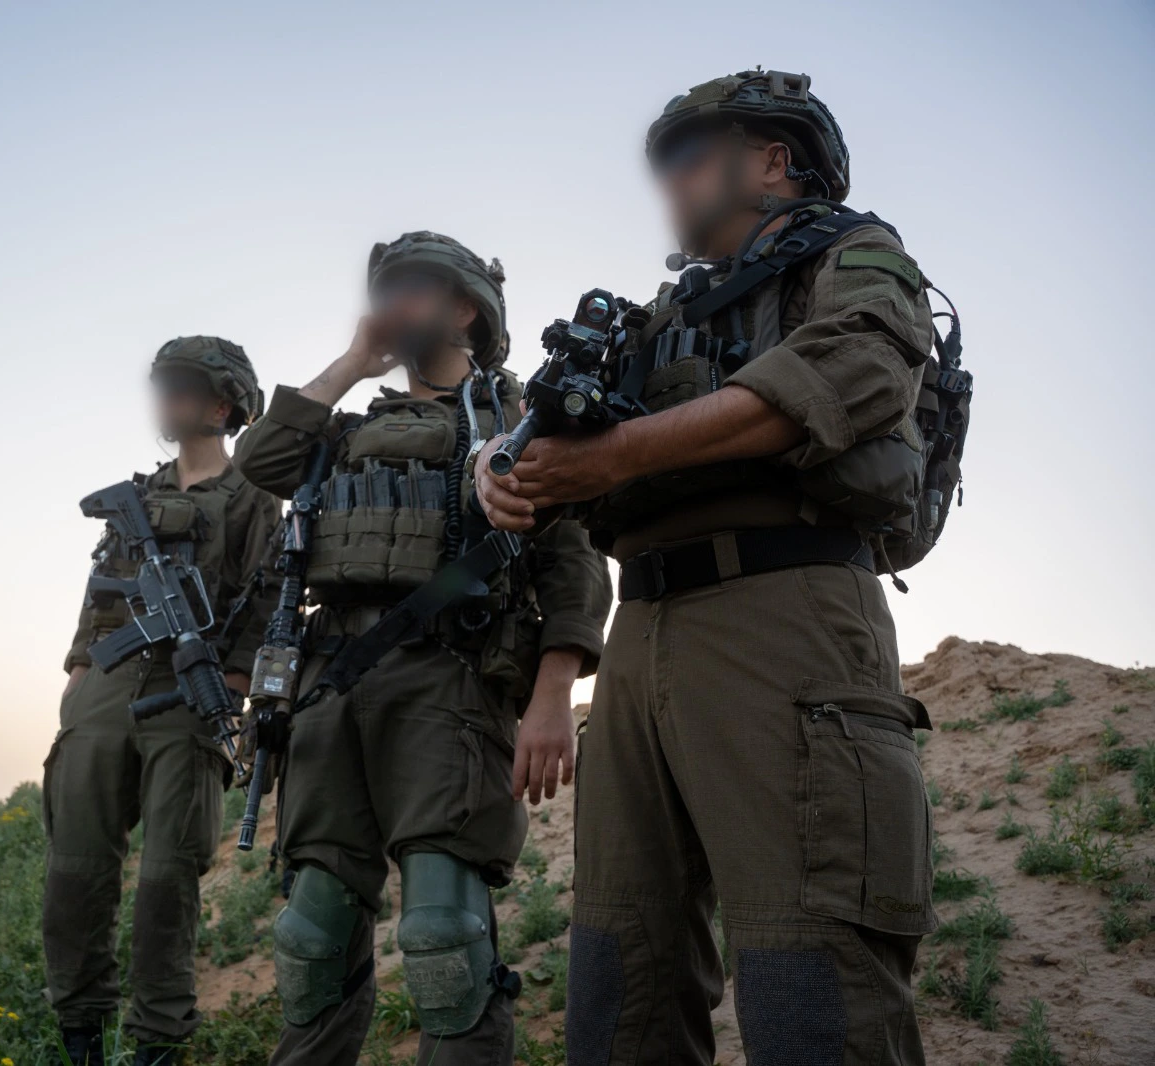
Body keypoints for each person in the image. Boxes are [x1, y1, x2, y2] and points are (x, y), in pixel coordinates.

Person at [475, 70, 940, 1066]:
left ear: (773, 160)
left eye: (693, 154)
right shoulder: (654, 319)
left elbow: (848, 372)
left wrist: (611, 457)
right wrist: (499, 467)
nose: (670, 179)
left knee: (812, 973)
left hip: (786, 616)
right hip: (640, 634)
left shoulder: (855, 253)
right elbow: (549, 442)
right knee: (620, 975)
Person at [235, 232, 611, 1066]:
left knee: (446, 938)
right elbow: (258, 461)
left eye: (413, 288)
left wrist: (554, 694)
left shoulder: (519, 423)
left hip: (452, 681)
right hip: (329, 686)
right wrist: (351, 363)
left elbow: (574, 565)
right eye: (384, 290)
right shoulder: (343, 430)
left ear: (466, 309)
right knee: (311, 937)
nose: (391, 304)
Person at [43, 337, 281, 1066]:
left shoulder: (253, 498)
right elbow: (100, 587)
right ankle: (80, 1030)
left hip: (190, 689)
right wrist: (80, 669)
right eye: (165, 385)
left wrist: (234, 682)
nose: (169, 399)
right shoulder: (137, 496)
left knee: (166, 881)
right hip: (108, 685)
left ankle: (157, 1041)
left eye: (186, 387)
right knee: (74, 870)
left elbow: (270, 596)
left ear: (225, 405)